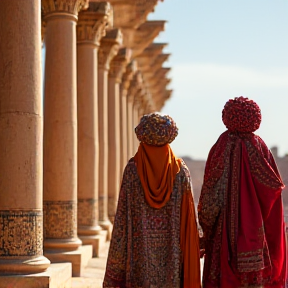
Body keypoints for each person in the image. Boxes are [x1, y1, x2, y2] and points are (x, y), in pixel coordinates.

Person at [103, 112, 201, 288]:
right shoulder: (180, 171)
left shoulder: (133, 170)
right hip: (174, 255)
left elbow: (122, 219)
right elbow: (188, 220)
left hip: (139, 256)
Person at [198, 96, 286, 288]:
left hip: (222, 237)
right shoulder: (260, 148)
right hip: (257, 237)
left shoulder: (220, 147)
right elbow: (272, 192)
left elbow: (210, 192)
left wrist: (206, 227)